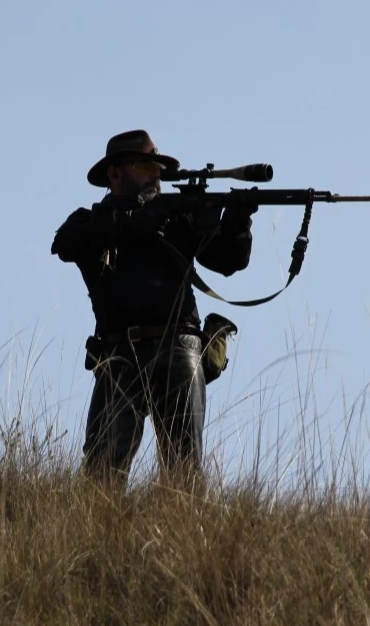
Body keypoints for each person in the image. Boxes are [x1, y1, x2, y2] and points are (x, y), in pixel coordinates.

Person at [51, 129, 257, 490]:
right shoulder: (94, 221)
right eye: (145, 166)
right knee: (102, 472)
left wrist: (239, 223)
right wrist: (132, 224)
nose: (156, 174)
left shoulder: (175, 219)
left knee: (184, 470)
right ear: (115, 174)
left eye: (157, 166)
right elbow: (65, 243)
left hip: (179, 348)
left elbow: (228, 261)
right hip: (119, 353)